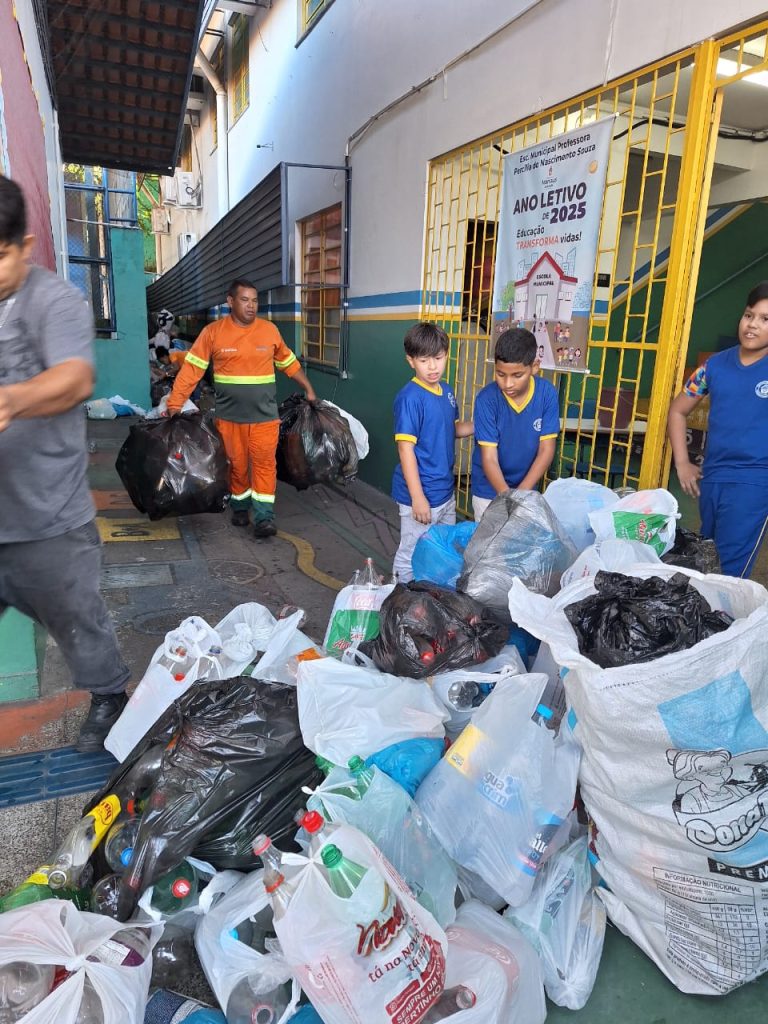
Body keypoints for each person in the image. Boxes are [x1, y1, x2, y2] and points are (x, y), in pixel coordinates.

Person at [0, 175, 129, 751]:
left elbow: (76, 378)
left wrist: (11, 400)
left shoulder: (55, 301)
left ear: (25, 246)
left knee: (79, 622)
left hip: (49, 516)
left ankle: (109, 696)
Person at [167, 278, 315, 537]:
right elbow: (192, 370)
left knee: (264, 465)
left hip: (265, 417)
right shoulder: (213, 332)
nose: (251, 306)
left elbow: (288, 362)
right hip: (229, 418)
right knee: (236, 465)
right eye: (245, 300)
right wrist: (175, 403)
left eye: (255, 300)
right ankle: (240, 506)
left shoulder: (269, 331)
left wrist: (308, 388)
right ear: (230, 301)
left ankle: (264, 517)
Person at [667, 281, 768, 577]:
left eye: (765, 319)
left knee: (729, 573)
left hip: (755, 481)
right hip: (712, 477)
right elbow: (677, 410)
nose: (752, 325)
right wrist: (682, 462)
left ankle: (725, 608)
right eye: (749, 315)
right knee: (708, 560)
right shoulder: (713, 366)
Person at [391, 322, 473, 581]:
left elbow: (451, 429)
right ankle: (400, 595)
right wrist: (417, 498)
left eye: (438, 358)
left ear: (447, 354)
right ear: (410, 361)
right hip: (421, 493)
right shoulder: (410, 398)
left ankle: (432, 596)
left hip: (445, 491)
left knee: (442, 550)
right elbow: (405, 449)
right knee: (411, 553)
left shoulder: (447, 391)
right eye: (424, 360)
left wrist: (479, 425)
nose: (433, 367)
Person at [471, 326, 559, 520]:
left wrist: (520, 495)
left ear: (534, 366)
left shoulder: (547, 394)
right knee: (490, 540)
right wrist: (507, 499)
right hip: (488, 491)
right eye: (500, 374)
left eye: (517, 375)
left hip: (526, 489)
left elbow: (546, 450)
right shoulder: (486, 399)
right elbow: (489, 458)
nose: (508, 383)